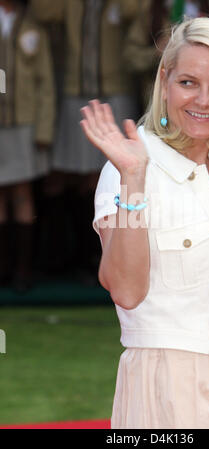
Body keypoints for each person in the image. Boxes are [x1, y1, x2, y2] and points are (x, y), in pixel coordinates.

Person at [80, 17, 209, 429]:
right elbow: (126, 291)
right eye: (188, 83)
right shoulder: (129, 165)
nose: (203, 99)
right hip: (168, 389)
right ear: (164, 81)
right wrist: (133, 177)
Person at [29, 0, 139, 281]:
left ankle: (97, 258)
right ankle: (70, 257)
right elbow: (42, 11)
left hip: (116, 91)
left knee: (103, 175)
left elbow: (136, 12)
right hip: (74, 91)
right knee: (65, 175)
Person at [0, 0, 55, 291]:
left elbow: (45, 82)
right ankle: (3, 267)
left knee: (22, 193)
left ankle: (23, 270)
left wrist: (44, 128)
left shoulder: (32, 25)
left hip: (24, 122)